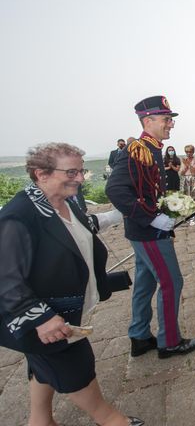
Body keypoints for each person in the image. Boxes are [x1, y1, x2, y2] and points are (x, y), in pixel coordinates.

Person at [0, 143, 143, 426]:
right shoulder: (17, 218)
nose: (80, 178)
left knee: (43, 368)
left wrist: (119, 214)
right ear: (41, 173)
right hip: (48, 322)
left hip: (62, 310)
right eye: (72, 172)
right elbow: (6, 280)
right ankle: (113, 421)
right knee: (77, 369)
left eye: (81, 171)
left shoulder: (63, 202)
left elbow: (82, 225)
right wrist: (42, 319)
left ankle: (40, 421)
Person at [106, 95, 195, 359]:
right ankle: (169, 342)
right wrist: (152, 217)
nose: (171, 124)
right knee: (172, 282)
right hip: (149, 232)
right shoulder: (138, 149)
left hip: (144, 232)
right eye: (166, 119)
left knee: (145, 284)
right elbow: (115, 189)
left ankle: (139, 337)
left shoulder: (152, 148)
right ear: (148, 120)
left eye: (170, 119)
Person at [179, 144, 195, 226]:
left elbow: (194, 173)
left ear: (193, 152)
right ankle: (190, 216)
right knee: (187, 198)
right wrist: (185, 166)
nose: (188, 153)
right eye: (186, 152)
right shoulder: (184, 160)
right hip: (186, 180)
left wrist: (189, 165)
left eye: (190, 152)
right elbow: (181, 173)